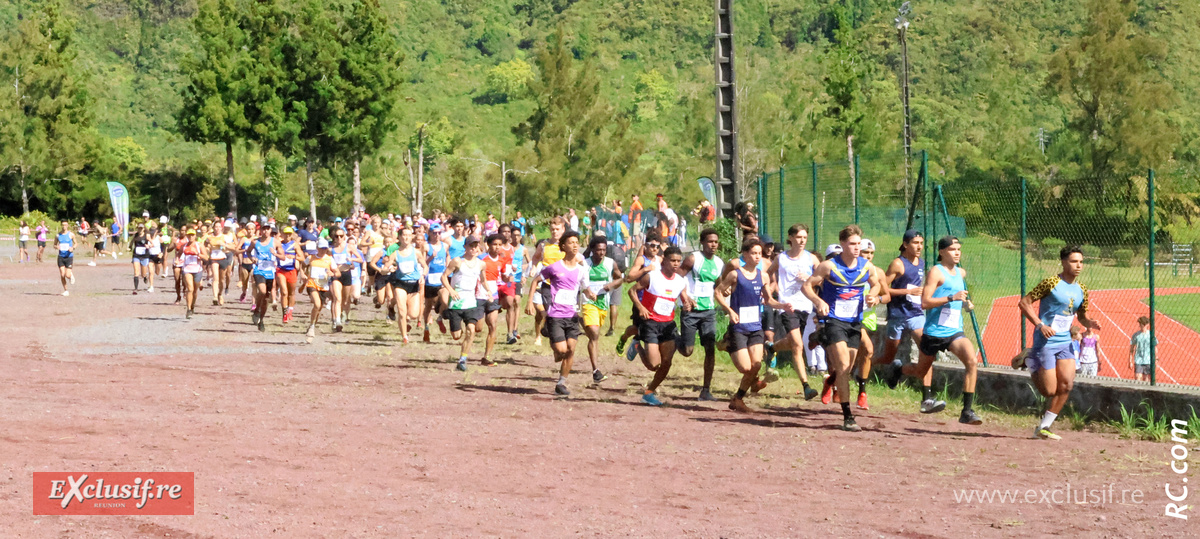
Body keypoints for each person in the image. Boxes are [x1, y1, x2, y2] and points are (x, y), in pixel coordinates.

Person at [889, 237, 984, 425]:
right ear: (941, 252)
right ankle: (899, 369)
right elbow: (925, 302)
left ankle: (967, 411)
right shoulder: (935, 272)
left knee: (971, 361)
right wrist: (951, 298)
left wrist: (966, 302)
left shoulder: (961, 273)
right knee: (920, 371)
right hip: (933, 333)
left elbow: (960, 295)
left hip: (954, 331)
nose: (957, 253)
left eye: (959, 249)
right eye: (952, 249)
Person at [801, 225, 882, 432]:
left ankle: (822, 347)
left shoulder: (866, 266)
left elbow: (876, 284)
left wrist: (873, 295)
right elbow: (806, 286)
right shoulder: (829, 266)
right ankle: (848, 416)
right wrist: (818, 301)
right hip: (834, 320)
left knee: (847, 367)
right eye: (852, 244)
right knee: (844, 366)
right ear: (843, 244)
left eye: (859, 244)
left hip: (854, 322)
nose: (857, 248)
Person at [1018, 245, 1101, 440]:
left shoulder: (1082, 289)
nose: (1078, 265)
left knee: (1066, 385)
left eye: (1081, 262)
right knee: (1049, 391)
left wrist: (1090, 323)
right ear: (1063, 262)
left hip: (1065, 342)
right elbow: (1024, 303)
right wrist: (1040, 325)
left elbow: (1082, 316)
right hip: (1046, 341)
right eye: (1074, 261)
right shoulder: (1051, 283)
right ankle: (1029, 360)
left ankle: (1044, 427)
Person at [876, 230, 937, 408]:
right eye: (915, 243)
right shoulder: (898, 264)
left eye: (921, 243)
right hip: (897, 314)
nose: (919, 247)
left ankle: (927, 397)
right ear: (905, 244)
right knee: (888, 357)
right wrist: (907, 291)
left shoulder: (921, 263)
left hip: (915, 314)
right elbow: (883, 288)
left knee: (927, 351)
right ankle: (862, 368)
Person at [628, 245, 693, 406]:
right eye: (673, 260)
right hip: (650, 323)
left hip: (668, 325)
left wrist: (687, 304)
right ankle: (636, 345)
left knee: (666, 362)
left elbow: (684, 298)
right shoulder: (652, 277)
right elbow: (632, 291)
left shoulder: (680, 281)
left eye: (678, 261)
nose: (676, 264)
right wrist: (641, 307)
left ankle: (649, 392)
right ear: (664, 261)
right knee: (653, 365)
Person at [765, 224, 820, 401]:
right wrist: (770, 290)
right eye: (798, 237)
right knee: (797, 344)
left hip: (805, 306)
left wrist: (810, 279)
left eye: (804, 237)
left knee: (792, 342)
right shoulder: (781, 258)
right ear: (790, 238)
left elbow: (823, 278)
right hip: (787, 306)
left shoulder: (811, 259)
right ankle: (806, 386)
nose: (802, 241)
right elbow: (767, 274)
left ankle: (772, 347)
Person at [676, 228, 723, 401]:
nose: (713, 245)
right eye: (710, 241)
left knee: (710, 349)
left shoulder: (719, 263)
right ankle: (672, 334)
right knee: (687, 351)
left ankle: (706, 390)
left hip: (708, 311)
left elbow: (718, 284)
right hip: (691, 310)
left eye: (716, 242)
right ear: (702, 242)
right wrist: (685, 297)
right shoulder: (693, 259)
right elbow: (677, 278)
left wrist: (725, 291)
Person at [615, 232, 665, 360]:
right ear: (645, 246)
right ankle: (624, 338)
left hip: (656, 301)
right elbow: (629, 278)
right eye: (652, 245)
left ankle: (639, 343)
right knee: (637, 328)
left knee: (652, 327)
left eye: (657, 246)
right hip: (641, 300)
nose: (655, 249)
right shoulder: (641, 260)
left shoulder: (660, 260)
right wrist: (644, 269)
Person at [581, 236, 623, 384]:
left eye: (604, 250)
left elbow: (620, 278)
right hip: (588, 302)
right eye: (598, 250)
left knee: (595, 336)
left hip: (603, 303)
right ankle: (596, 370)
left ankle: (579, 320)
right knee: (594, 333)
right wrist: (586, 290)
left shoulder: (610, 263)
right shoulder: (585, 264)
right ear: (592, 250)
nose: (601, 253)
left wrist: (611, 285)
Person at [442, 236, 486, 371]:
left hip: (471, 302)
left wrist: (489, 291)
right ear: (465, 247)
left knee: (471, 330)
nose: (473, 249)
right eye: (471, 246)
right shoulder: (457, 261)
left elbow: (483, 280)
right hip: (456, 302)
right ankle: (443, 313)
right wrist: (450, 290)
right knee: (456, 336)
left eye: (476, 246)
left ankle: (462, 359)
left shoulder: (481, 264)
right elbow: (444, 277)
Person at [476, 234, 511, 364]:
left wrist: (509, 278)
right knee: (478, 328)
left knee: (493, 325)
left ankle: (487, 357)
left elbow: (504, 277)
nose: (497, 247)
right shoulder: (481, 259)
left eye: (500, 245)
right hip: (479, 295)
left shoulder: (502, 261)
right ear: (489, 245)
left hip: (493, 296)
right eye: (494, 244)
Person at [247, 224, 284, 332]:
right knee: (262, 291)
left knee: (266, 299)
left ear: (270, 230)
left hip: (270, 272)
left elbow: (283, 257)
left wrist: (275, 254)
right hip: (259, 270)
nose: (266, 231)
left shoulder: (275, 242)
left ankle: (261, 319)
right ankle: (257, 309)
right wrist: (252, 258)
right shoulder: (255, 242)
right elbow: (248, 251)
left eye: (268, 229)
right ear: (261, 230)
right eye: (264, 229)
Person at [303, 240, 338, 343]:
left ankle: (312, 325)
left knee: (318, 309)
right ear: (317, 248)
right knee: (317, 304)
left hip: (323, 287)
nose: (323, 250)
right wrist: (303, 274)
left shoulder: (330, 259)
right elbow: (302, 265)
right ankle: (312, 327)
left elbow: (338, 273)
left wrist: (332, 273)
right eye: (321, 248)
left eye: (325, 248)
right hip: (312, 284)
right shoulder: (311, 258)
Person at [179, 228, 206, 317]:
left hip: (197, 270)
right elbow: (178, 254)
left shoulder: (199, 245)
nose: (191, 237)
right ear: (187, 236)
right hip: (187, 270)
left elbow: (206, 257)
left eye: (192, 235)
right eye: (189, 235)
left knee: (194, 291)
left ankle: (192, 305)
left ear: (195, 236)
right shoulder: (184, 246)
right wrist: (177, 260)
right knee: (189, 289)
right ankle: (188, 309)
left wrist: (197, 254)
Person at [276, 227, 301, 323]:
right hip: (281, 270)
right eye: (285, 233)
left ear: (291, 235)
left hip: (291, 270)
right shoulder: (279, 244)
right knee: (284, 292)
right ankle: (285, 313)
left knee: (291, 293)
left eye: (289, 234)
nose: (287, 236)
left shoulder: (294, 245)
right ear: (282, 234)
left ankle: (290, 311)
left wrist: (294, 256)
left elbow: (302, 257)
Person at [1129, 316, 1156, 382]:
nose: (1142, 326)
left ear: (1147, 325)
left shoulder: (1151, 335)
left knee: (1147, 380)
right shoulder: (1136, 335)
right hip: (1138, 360)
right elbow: (1131, 349)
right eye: (1141, 324)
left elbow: (1155, 347)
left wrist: (1156, 358)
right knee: (1138, 378)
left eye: (1143, 325)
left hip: (1148, 360)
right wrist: (1130, 361)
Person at [55, 221, 76, 296]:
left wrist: (72, 248)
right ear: (61, 226)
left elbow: (76, 243)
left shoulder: (71, 234)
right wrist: (56, 247)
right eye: (63, 225)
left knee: (67, 275)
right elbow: (54, 244)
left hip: (69, 256)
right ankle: (66, 290)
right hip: (61, 256)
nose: (64, 227)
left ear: (67, 226)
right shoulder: (58, 235)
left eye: (65, 225)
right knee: (62, 274)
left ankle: (70, 275)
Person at [130, 224, 152, 294]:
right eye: (139, 228)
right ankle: (135, 289)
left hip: (144, 256)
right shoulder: (135, 235)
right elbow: (131, 242)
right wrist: (129, 247)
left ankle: (145, 277)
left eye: (141, 228)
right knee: (136, 272)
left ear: (143, 229)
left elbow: (152, 244)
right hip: (136, 255)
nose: (140, 230)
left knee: (143, 274)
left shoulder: (147, 236)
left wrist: (149, 245)